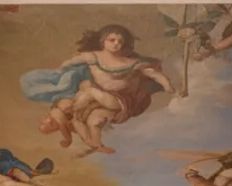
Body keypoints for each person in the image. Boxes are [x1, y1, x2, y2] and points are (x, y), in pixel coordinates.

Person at [21, 25, 176, 154]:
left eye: (120, 41)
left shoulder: (131, 62)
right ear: (103, 41)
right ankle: (97, 144)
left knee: (88, 93)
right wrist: (60, 69)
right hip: (100, 105)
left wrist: (166, 84)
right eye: (112, 40)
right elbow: (73, 61)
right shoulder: (93, 57)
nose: (116, 44)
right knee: (93, 122)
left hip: (118, 101)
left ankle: (87, 105)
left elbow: (152, 73)